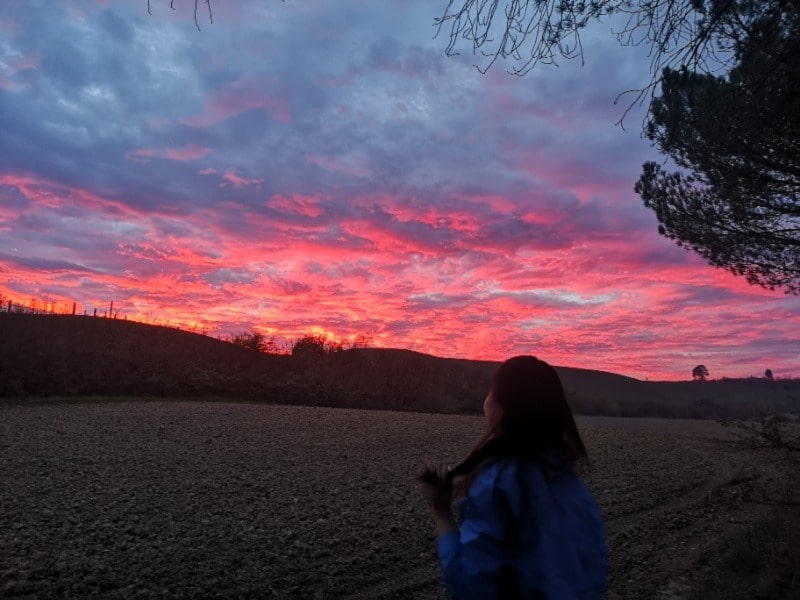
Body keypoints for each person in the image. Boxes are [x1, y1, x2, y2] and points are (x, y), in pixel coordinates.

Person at [418, 355, 607, 599]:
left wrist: (441, 513)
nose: (485, 402)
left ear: (502, 408)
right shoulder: (576, 490)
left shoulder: (499, 486)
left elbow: (468, 586)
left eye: (490, 392)